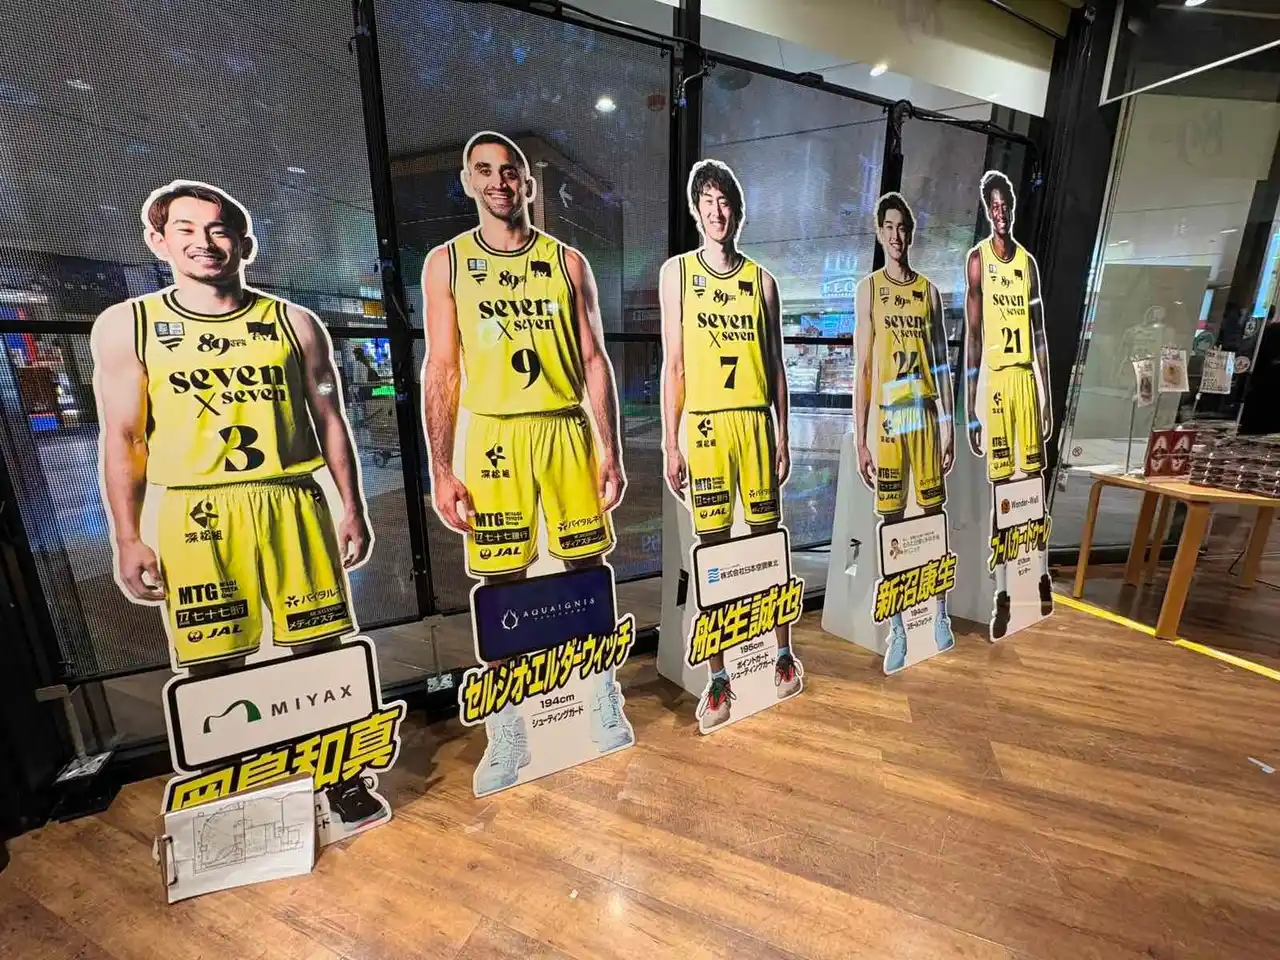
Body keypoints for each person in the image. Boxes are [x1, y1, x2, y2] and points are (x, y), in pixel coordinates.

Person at [93, 180, 381, 826]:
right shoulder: (129, 325)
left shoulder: (293, 323)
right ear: (158, 241)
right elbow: (125, 436)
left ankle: (342, 778)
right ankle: (238, 793)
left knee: (321, 649)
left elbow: (329, 419)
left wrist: (352, 506)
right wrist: (127, 536)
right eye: (186, 229)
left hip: (289, 500)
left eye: (218, 229)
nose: (204, 242)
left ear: (244, 244)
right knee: (214, 662)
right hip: (195, 510)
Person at [421, 132, 632, 793]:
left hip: (564, 428)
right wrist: (440, 468)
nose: (499, 181)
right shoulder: (447, 263)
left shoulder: (567, 261)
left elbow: (594, 359)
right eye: (484, 170)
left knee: (586, 568)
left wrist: (611, 449)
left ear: (527, 183)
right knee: (501, 582)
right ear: (468, 182)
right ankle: (507, 728)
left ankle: (603, 697)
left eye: (509, 170)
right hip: (492, 437)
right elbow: (442, 367)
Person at [660, 159, 800, 732]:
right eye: (708, 202)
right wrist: (670, 443)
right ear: (697, 211)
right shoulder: (677, 273)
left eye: (725, 202)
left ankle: (783, 653)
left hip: (755, 424)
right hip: (706, 428)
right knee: (713, 554)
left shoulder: (763, 281)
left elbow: (777, 366)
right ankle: (719, 678)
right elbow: (673, 365)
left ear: (737, 212)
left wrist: (784, 435)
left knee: (768, 543)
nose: (717, 212)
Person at [855, 192, 955, 671]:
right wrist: (860, 438)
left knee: (933, 515)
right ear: (880, 233)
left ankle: (939, 614)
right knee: (892, 524)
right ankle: (897, 628)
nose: (896, 235)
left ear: (911, 234)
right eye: (889, 227)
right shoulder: (869, 289)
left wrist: (951, 423)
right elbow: (863, 369)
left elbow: (943, 362)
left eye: (903, 228)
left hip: (925, 412)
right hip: (891, 417)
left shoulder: (928, 291)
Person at [964, 170, 1053, 637]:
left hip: (1025, 380)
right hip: (996, 384)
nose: (1000, 213)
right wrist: (969, 410)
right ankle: (1002, 592)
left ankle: (1039, 575)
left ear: (1013, 208)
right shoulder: (977, 261)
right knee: (1003, 490)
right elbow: (972, 337)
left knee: (1032, 486)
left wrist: (1047, 397)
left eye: (1005, 206)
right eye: (993, 206)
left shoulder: (1028, 264)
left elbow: (1040, 335)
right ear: (987, 210)